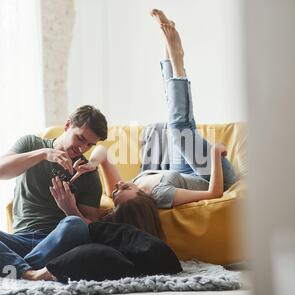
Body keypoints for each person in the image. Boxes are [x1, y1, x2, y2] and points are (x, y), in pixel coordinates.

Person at [74, 10, 238, 216]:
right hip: (215, 177)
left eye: (116, 190)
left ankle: (168, 52)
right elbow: (213, 193)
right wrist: (214, 152)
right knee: (179, 131)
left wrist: (93, 163)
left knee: (175, 126)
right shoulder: (160, 196)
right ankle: (177, 59)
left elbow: (103, 154)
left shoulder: (121, 191)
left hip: (186, 174)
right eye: (123, 189)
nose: (118, 186)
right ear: (140, 201)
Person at [0, 105, 108, 281]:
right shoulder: (32, 145)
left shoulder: (87, 173)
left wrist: (70, 209)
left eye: (89, 145)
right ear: (68, 125)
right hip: (17, 242)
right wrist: (43, 154)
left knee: (75, 224)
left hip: (55, 243)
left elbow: (92, 228)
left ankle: (9, 268)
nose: (82, 148)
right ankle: (28, 271)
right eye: (80, 139)